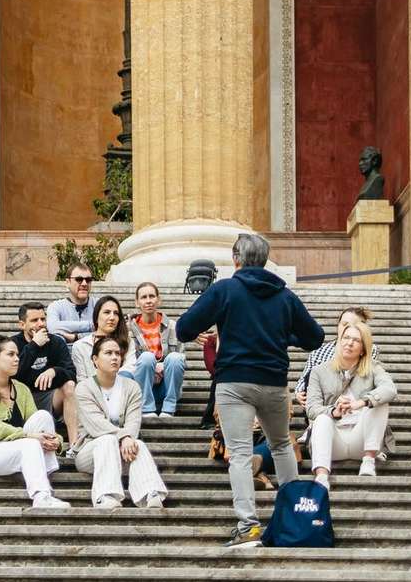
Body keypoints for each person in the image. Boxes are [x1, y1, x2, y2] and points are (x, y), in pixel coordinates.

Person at [174, 231, 326, 551]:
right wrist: (284, 338)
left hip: (234, 383)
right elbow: (314, 337)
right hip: (273, 382)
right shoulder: (285, 295)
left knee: (241, 455)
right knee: (283, 445)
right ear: (266, 261)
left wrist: (213, 326)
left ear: (236, 260)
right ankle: (292, 518)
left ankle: (248, 527)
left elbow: (184, 328)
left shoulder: (225, 290)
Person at [0, 334, 70, 510]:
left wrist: (57, 441)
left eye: (17, 355)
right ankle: (41, 497)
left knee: (43, 416)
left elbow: (39, 424)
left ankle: (44, 471)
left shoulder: (21, 389)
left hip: (13, 447)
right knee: (29, 445)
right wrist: (30, 437)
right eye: (11, 354)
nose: (17, 359)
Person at [73, 339, 167, 509]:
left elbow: (133, 422)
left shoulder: (131, 387)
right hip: (89, 452)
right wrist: (123, 436)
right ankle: (105, 495)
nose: (115, 357)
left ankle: (149, 493)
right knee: (107, 440)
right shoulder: (84, 388)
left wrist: (128, 437)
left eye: (117, 353)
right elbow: (96, 425)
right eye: (108, 353)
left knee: (137, 443)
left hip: (122, 452)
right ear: (95, 359)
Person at [304, 319, 397, 485]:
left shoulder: (374, 368)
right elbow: (311, 408)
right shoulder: (319, 372)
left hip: (361, 441)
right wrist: (334, 411)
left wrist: (361, 402)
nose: (349, 343)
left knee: (379, 403)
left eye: (356, 340)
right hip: (334, 442)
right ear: (339, 342)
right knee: (322, 418)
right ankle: (322, 476)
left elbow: (390, 389)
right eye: (346, 338)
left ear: (363, 349)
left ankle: (368, 461)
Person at [11, 302, 80, 447]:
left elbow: (71, 373)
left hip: (49, 397)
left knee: (69, 385)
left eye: (43, 319)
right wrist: (34, 346)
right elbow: (13, 375)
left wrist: (54, 371)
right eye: (34, 320)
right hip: (21, 399)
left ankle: (74, 444)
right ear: (22, 325)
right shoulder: (13, 344)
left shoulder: (56, 342)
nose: (41, 324)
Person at [128, 281, 187, 418]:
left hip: (167, 387)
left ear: (158, 300)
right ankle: (147, 409)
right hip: (142, 388)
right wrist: (153, 366)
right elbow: (129, 363)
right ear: (137, 302)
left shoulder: (173, 327)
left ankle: (169, 409)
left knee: (176, 358)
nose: (148, 301)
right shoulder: (129, 330)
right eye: (144, 297)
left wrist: (162, 366)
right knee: (147, 358)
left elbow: (182, 360)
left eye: (152, 296)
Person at [73, 294, 139, 379]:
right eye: (107, 312)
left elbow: (129, 369)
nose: (112, 317)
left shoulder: (126, 341)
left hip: (123, 387)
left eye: (116, 313)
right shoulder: (80, 346)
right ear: (96, 317)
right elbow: (81, 380)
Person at [47, 265, 97, 344]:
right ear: (67, 282)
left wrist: (76, 337)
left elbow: (108, 332)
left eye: (88, 280)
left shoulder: (99, 305)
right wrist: (91, 325)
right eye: (79, 279)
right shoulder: (56, 306)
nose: (84, 283)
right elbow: (53, 327)